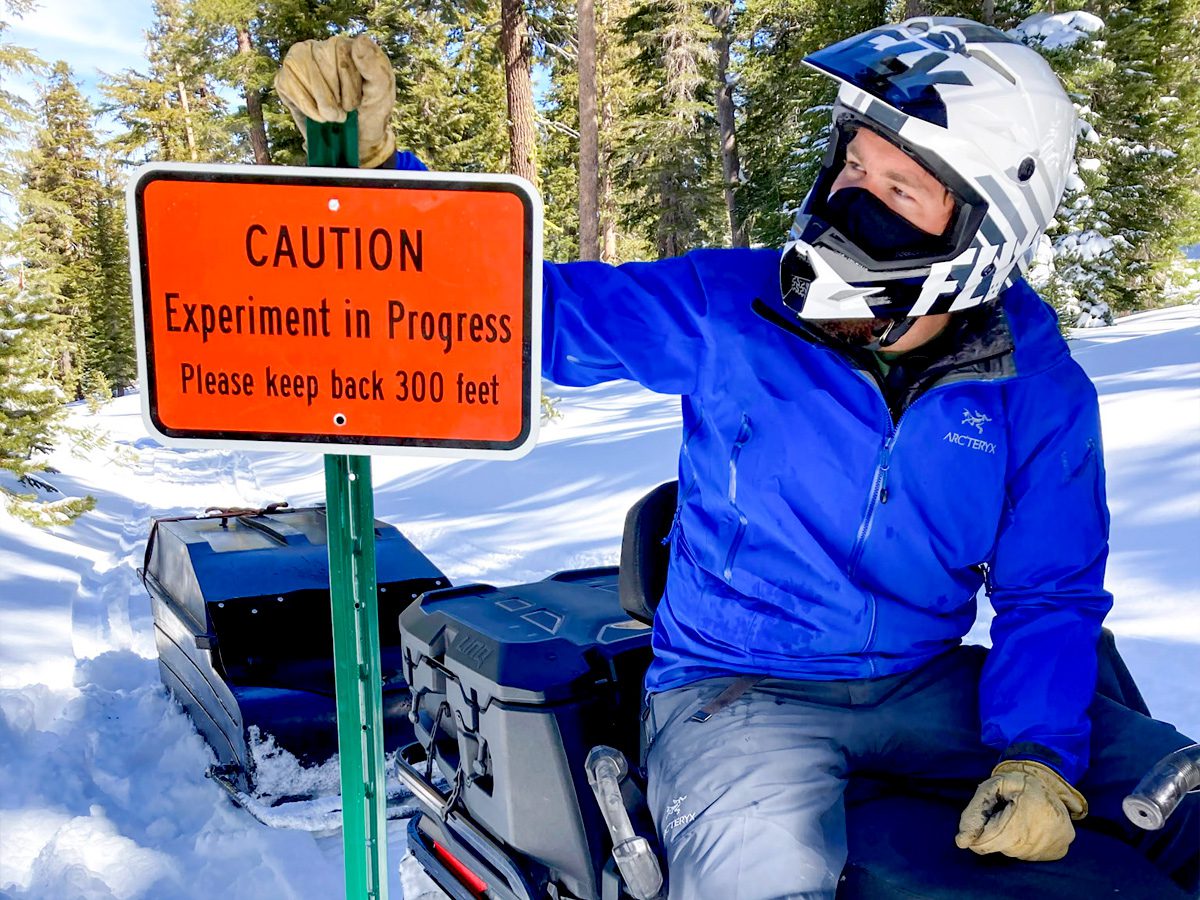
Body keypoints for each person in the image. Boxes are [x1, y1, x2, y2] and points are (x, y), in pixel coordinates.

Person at [276, 19, 1199, 898]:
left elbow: (1052, 593)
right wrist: (378, 177)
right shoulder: (730, 308)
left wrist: (1039, 757)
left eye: (899, 190)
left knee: (1179, 799)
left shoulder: (1034, 384)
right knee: (758, 877)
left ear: (980, 232)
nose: (851, 198)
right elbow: (516, 317)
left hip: (929, 684)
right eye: (853, 164)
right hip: (736, 690)